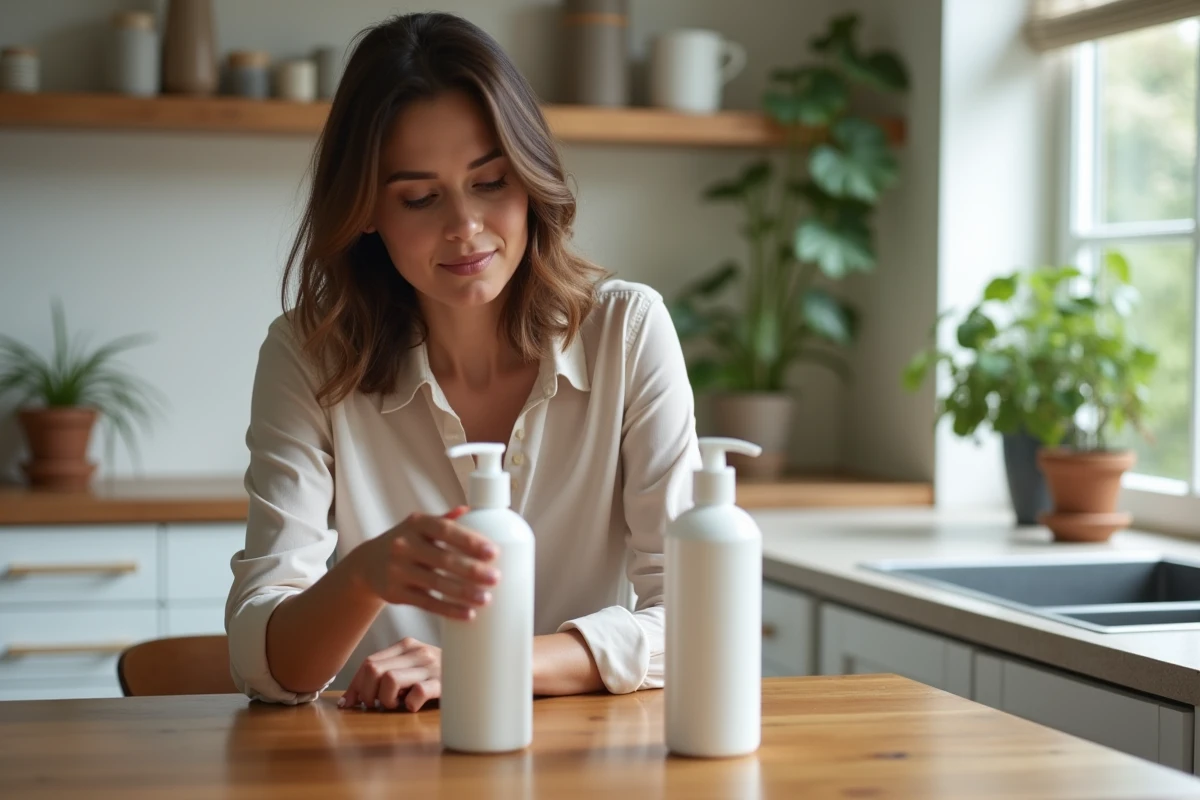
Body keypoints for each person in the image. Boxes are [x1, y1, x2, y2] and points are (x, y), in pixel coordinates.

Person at [225, 11, 699, 711]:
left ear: (532, 180)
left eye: (491, 182)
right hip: (384, 762)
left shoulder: (627, 333)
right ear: (365, 211)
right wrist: (364, 576)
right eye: (419, 197)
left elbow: (693, 618)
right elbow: (263, 663)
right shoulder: (310, 356)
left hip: (584, 762)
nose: (465, 228)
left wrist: (488, 664)